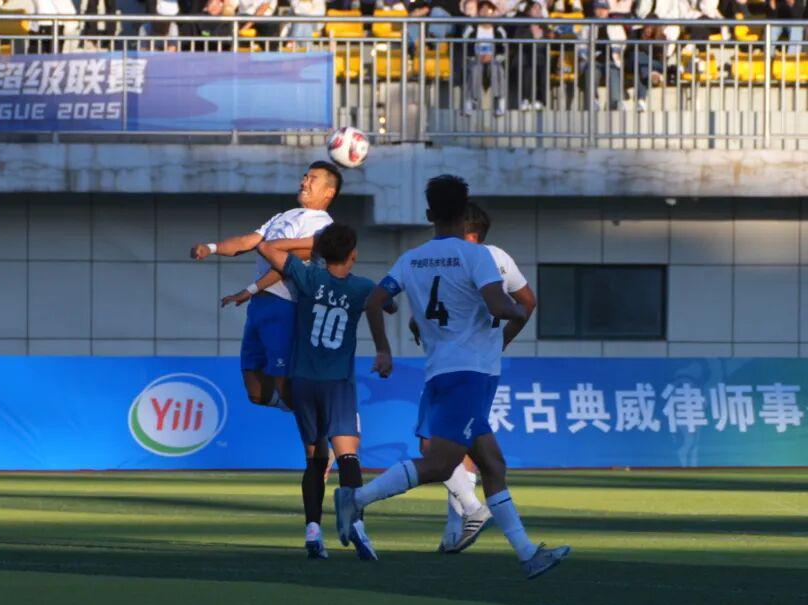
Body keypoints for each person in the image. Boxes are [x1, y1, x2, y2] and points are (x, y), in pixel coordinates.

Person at [335, 175, 569, 579]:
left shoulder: (411, 259)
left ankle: (529, 555)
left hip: (443, 371)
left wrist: (384, 348)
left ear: (429, 214)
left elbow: (375, 300)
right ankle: (356, 499)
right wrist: (518, 313)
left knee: (493, 465)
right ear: (464, 213)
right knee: (440, 464)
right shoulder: (477, 255)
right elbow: (499, 303)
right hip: (470, 373)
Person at [254, 224, 394, 561]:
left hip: (303, 380)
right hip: (337, 382)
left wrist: (311, 245)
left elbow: (266, 247)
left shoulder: (308, 276)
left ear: (320, 250)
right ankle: (356, 524)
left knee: (315, 458)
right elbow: (388, 306)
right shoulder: (362, 287)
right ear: (353, 254)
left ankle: (313, 531)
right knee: (347, 455)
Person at [408, 203, 536, 554]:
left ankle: (472, 510)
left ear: (469, 233)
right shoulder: (499, 258)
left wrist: (420, 324)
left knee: (431, 445)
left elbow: (439, 306)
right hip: (485, 369)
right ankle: (456, 529)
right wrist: (503, 340)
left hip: (454, 365)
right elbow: (527, 302)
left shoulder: (463, 259)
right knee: (464, 445)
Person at [189, 162, 340, 412]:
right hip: (260, 306)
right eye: (304, 176)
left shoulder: (323, 225)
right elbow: (247, 241)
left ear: (329, 192)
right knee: (256, 392)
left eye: (312, 178)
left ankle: (320, 418)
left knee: (284, 382)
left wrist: (250, 290)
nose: (304, 182)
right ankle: (302, 408)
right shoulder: (284, 216)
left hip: (286, 306)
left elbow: (287, 266)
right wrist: (211, 248)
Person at [462, 1, 509, 116]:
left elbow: (504, 49)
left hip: (494, 59)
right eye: (482, 10)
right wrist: (476, 57)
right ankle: (470, 101)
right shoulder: (471, 28)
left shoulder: (499, 29)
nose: (485, 12)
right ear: (478, 12)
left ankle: (500, 102)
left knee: (497, 69)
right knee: (475, 68)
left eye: (488, 10)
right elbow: (465, 46)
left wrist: (493, 57)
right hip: (475, 59)